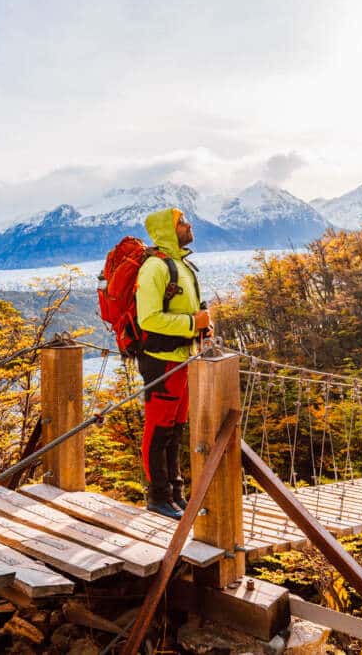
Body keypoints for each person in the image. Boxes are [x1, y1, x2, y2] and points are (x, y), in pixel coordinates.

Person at [135, 207, 210, 520]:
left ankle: (176, 494)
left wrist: (203, 325)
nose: (188, 224)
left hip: (181, 358)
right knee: (159, 429)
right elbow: (148, 318)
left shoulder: (181, 264)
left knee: (175, 429)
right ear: (168, 228)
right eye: (181, 221)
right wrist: (194, 323)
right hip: (161, 361)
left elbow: (193, 307)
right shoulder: (155, 268)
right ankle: (159, 497)